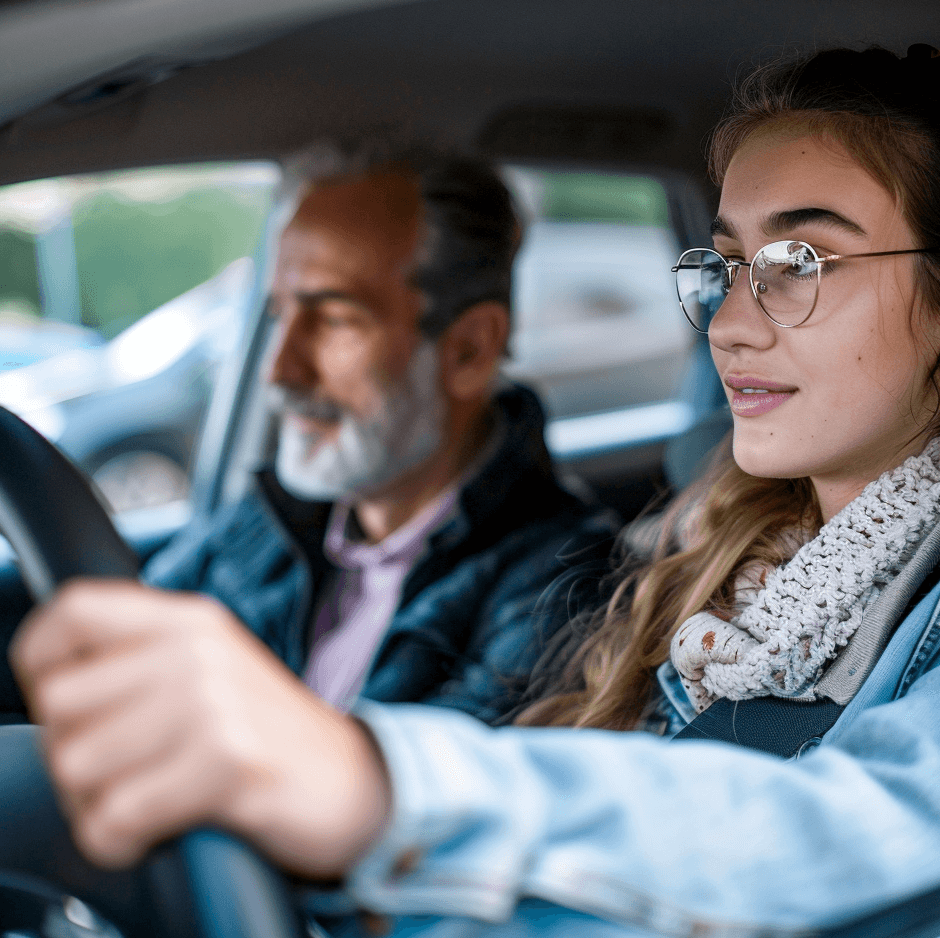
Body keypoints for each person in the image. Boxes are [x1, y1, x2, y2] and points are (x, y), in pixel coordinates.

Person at [12, 43, 940, 936]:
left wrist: (378, 784)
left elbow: (878, 825)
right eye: (724, 264)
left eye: (799, 261)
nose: (727, 323)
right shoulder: (724, 566)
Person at [135, 146, 616, 723]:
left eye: (336, 319)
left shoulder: (564, 585)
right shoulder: (271, 518)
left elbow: (431, 807)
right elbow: (116, 661)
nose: (279, 371)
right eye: (280, 317)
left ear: (469, 350)